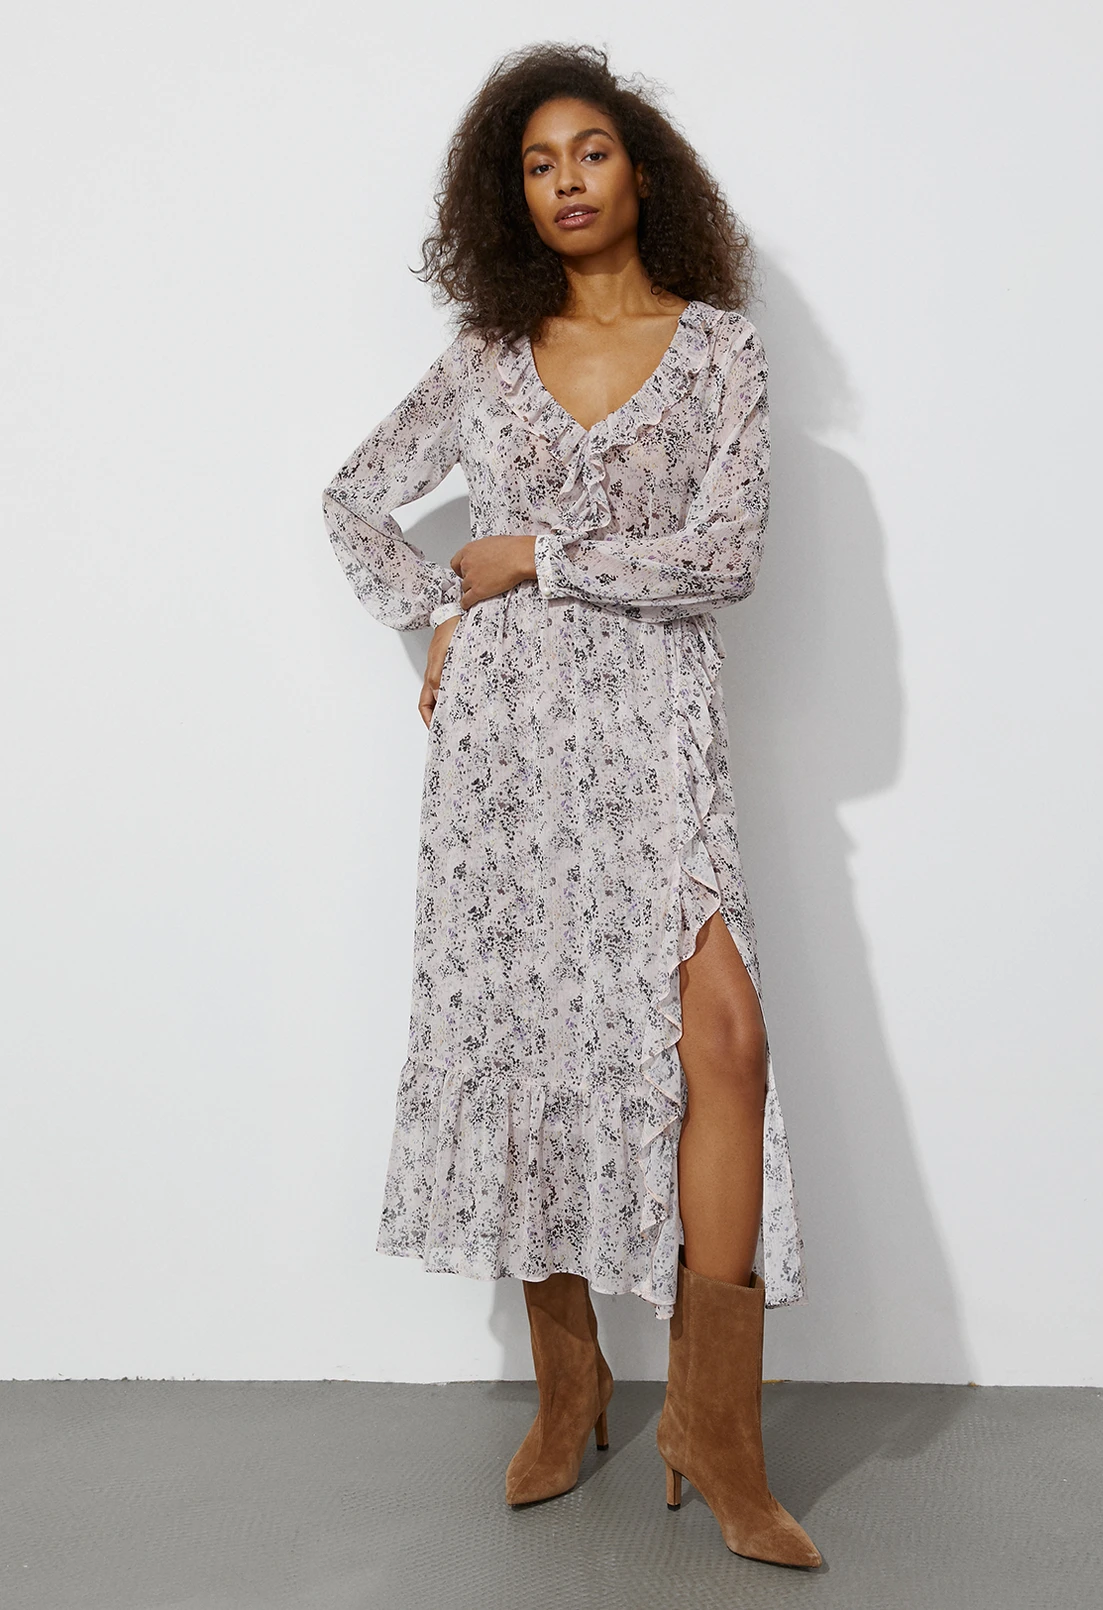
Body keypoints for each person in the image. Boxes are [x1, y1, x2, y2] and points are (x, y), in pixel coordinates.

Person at [321, 42, 820, 1570]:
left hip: (658, 731)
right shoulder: (486, 357)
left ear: (642, 171)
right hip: (510, 748)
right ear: (513, 197)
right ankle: (571, 1386)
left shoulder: (720, 351)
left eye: (588, 151)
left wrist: (532, 557)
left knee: (722, 1040)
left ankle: (716, 1433)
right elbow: (352, 497)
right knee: (533, 1041)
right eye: (536, 165)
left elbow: (722, 559)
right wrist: (443, 614)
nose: (565, 182)